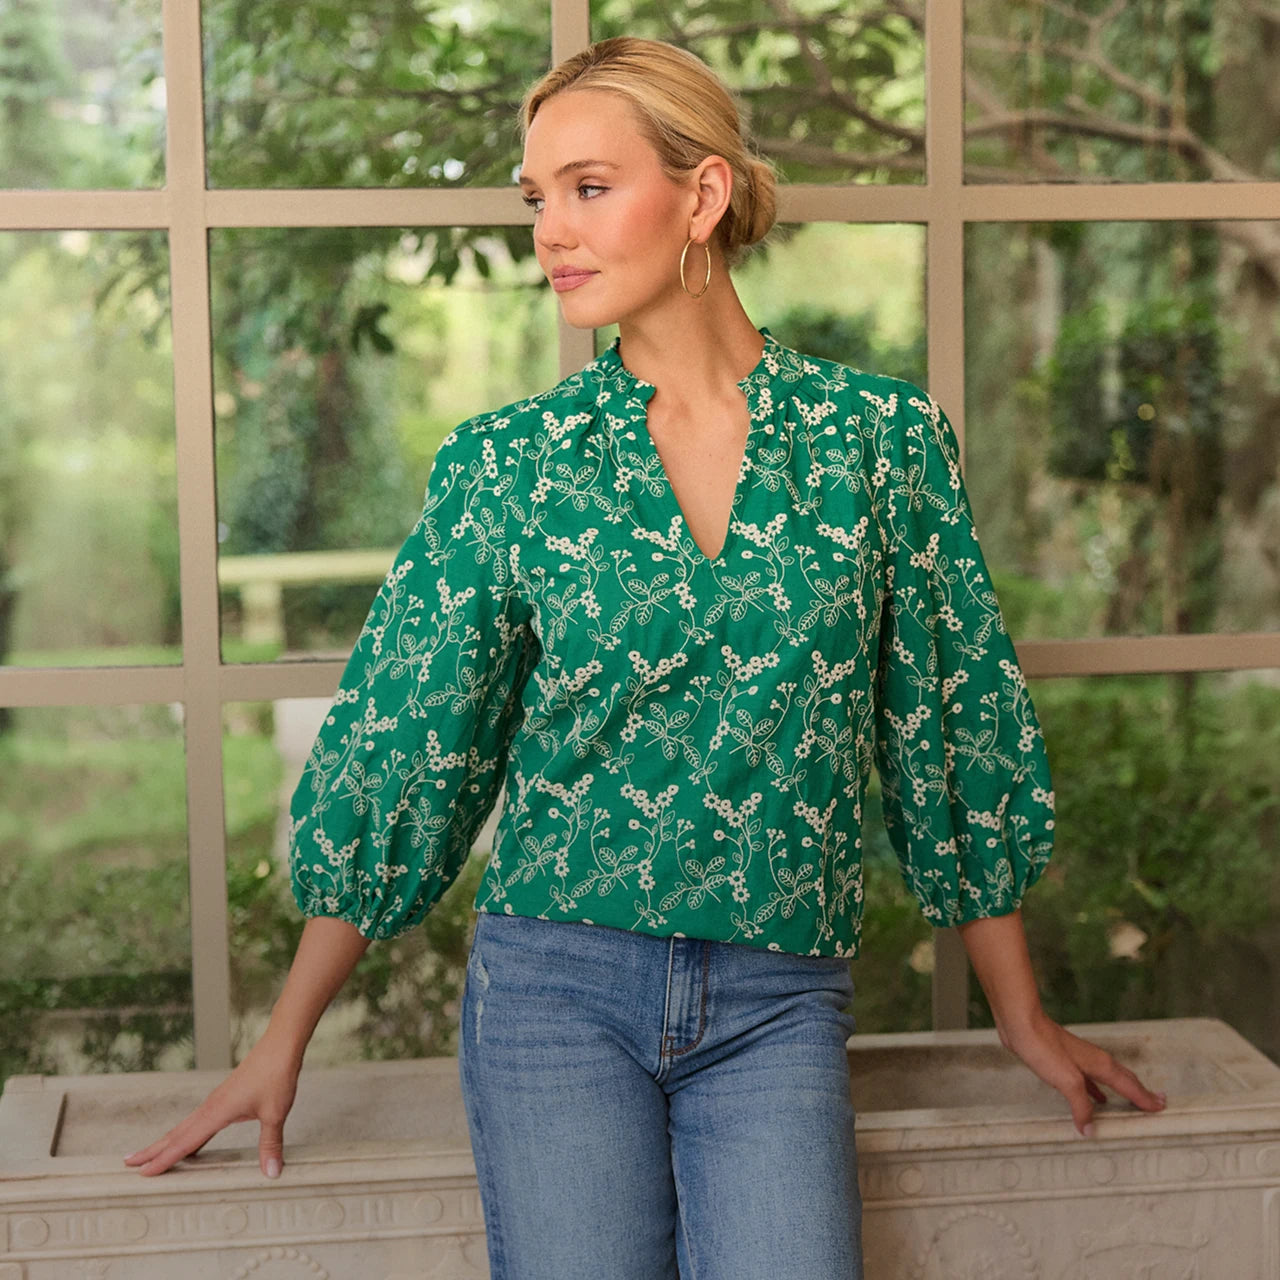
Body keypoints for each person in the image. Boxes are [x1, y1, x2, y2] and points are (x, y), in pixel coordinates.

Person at [125, 34, 1167, 1280]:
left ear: (703, 194)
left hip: (780, 997)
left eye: (586, 187)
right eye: (534, 198)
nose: (547, 232)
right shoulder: (507, 466)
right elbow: (412, 748)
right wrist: (281, 1037)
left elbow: (947, 729)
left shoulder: (879, 443)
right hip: (553, 991)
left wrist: (1020, 1010)